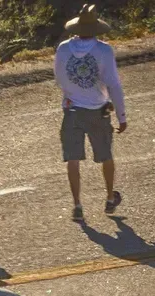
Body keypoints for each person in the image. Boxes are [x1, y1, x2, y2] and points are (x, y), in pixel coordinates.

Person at [54, 4, 127, 222]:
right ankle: (109, 197)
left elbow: (59, 78)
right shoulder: (104, 50)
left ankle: (77, 204)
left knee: (73, 158)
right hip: (97, 109)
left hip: (72, 109)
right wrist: (121, 115)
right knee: (105, 155)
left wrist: (72, 92)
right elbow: (113, 84)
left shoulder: (63, 49)